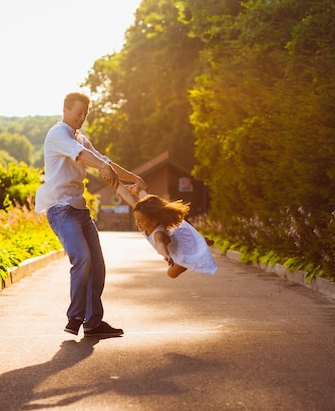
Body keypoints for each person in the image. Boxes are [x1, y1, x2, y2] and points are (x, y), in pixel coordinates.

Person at [35, 92, 146, 337]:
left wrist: (134, 179)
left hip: (80, 211)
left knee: (98, 266)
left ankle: (93, 323)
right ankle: (75, 317)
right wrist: (103, 166)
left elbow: (105, 163)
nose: (82, 118)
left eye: (85, 114)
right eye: (78, 113)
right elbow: (86, 158)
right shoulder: (58, 134)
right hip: (60, 209)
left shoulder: (81, 138)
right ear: (65, 110)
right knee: (83, 258)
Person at [128, 192, 217, 278]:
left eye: (140, 221)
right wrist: (119, 185)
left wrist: (165, 254)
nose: (137, 223)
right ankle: (198, 243)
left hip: (180, 252)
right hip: (178, 239)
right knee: (172, 273)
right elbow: (138, 199)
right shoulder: (144, 213)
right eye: (136, 219)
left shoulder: (158, 233)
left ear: (154, 222)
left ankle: (195, 249)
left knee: (171, 274)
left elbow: (160, 243)